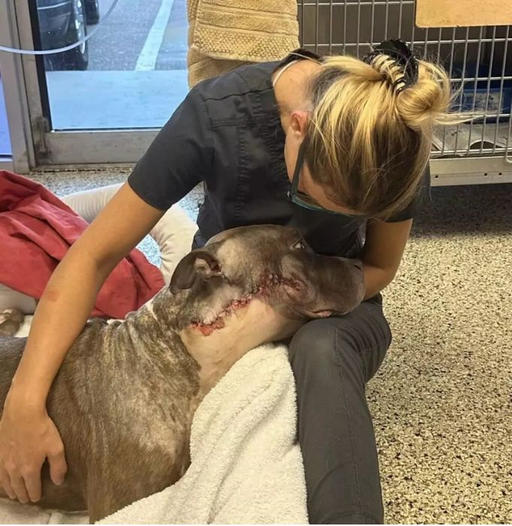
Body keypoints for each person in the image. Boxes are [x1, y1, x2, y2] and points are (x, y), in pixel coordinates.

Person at [0, 39, 454, 523]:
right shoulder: (216, 114)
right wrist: (24, 402)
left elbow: (381, 267)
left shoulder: (393, 142)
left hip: (333, 296)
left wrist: (300, 305)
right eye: (311, 199)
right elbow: (93, 257)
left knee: (320, 349)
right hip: (227, 291)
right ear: (296, 127)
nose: (316, 216)